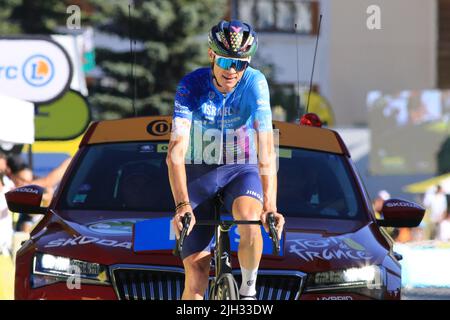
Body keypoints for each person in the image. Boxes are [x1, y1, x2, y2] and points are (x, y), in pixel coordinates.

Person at [167, 20, 284, 300]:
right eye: (226, 62)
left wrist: (270, 205)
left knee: (250, 219)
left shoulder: (255, 83)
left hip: (240, 168)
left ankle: (247, 293)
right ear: (211, 55)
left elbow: (266, 147)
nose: (233, 71)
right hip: (199, 170)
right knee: (195, 275)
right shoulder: (191, 85)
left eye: (240, 64)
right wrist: (182, 205)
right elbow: (175, 153)